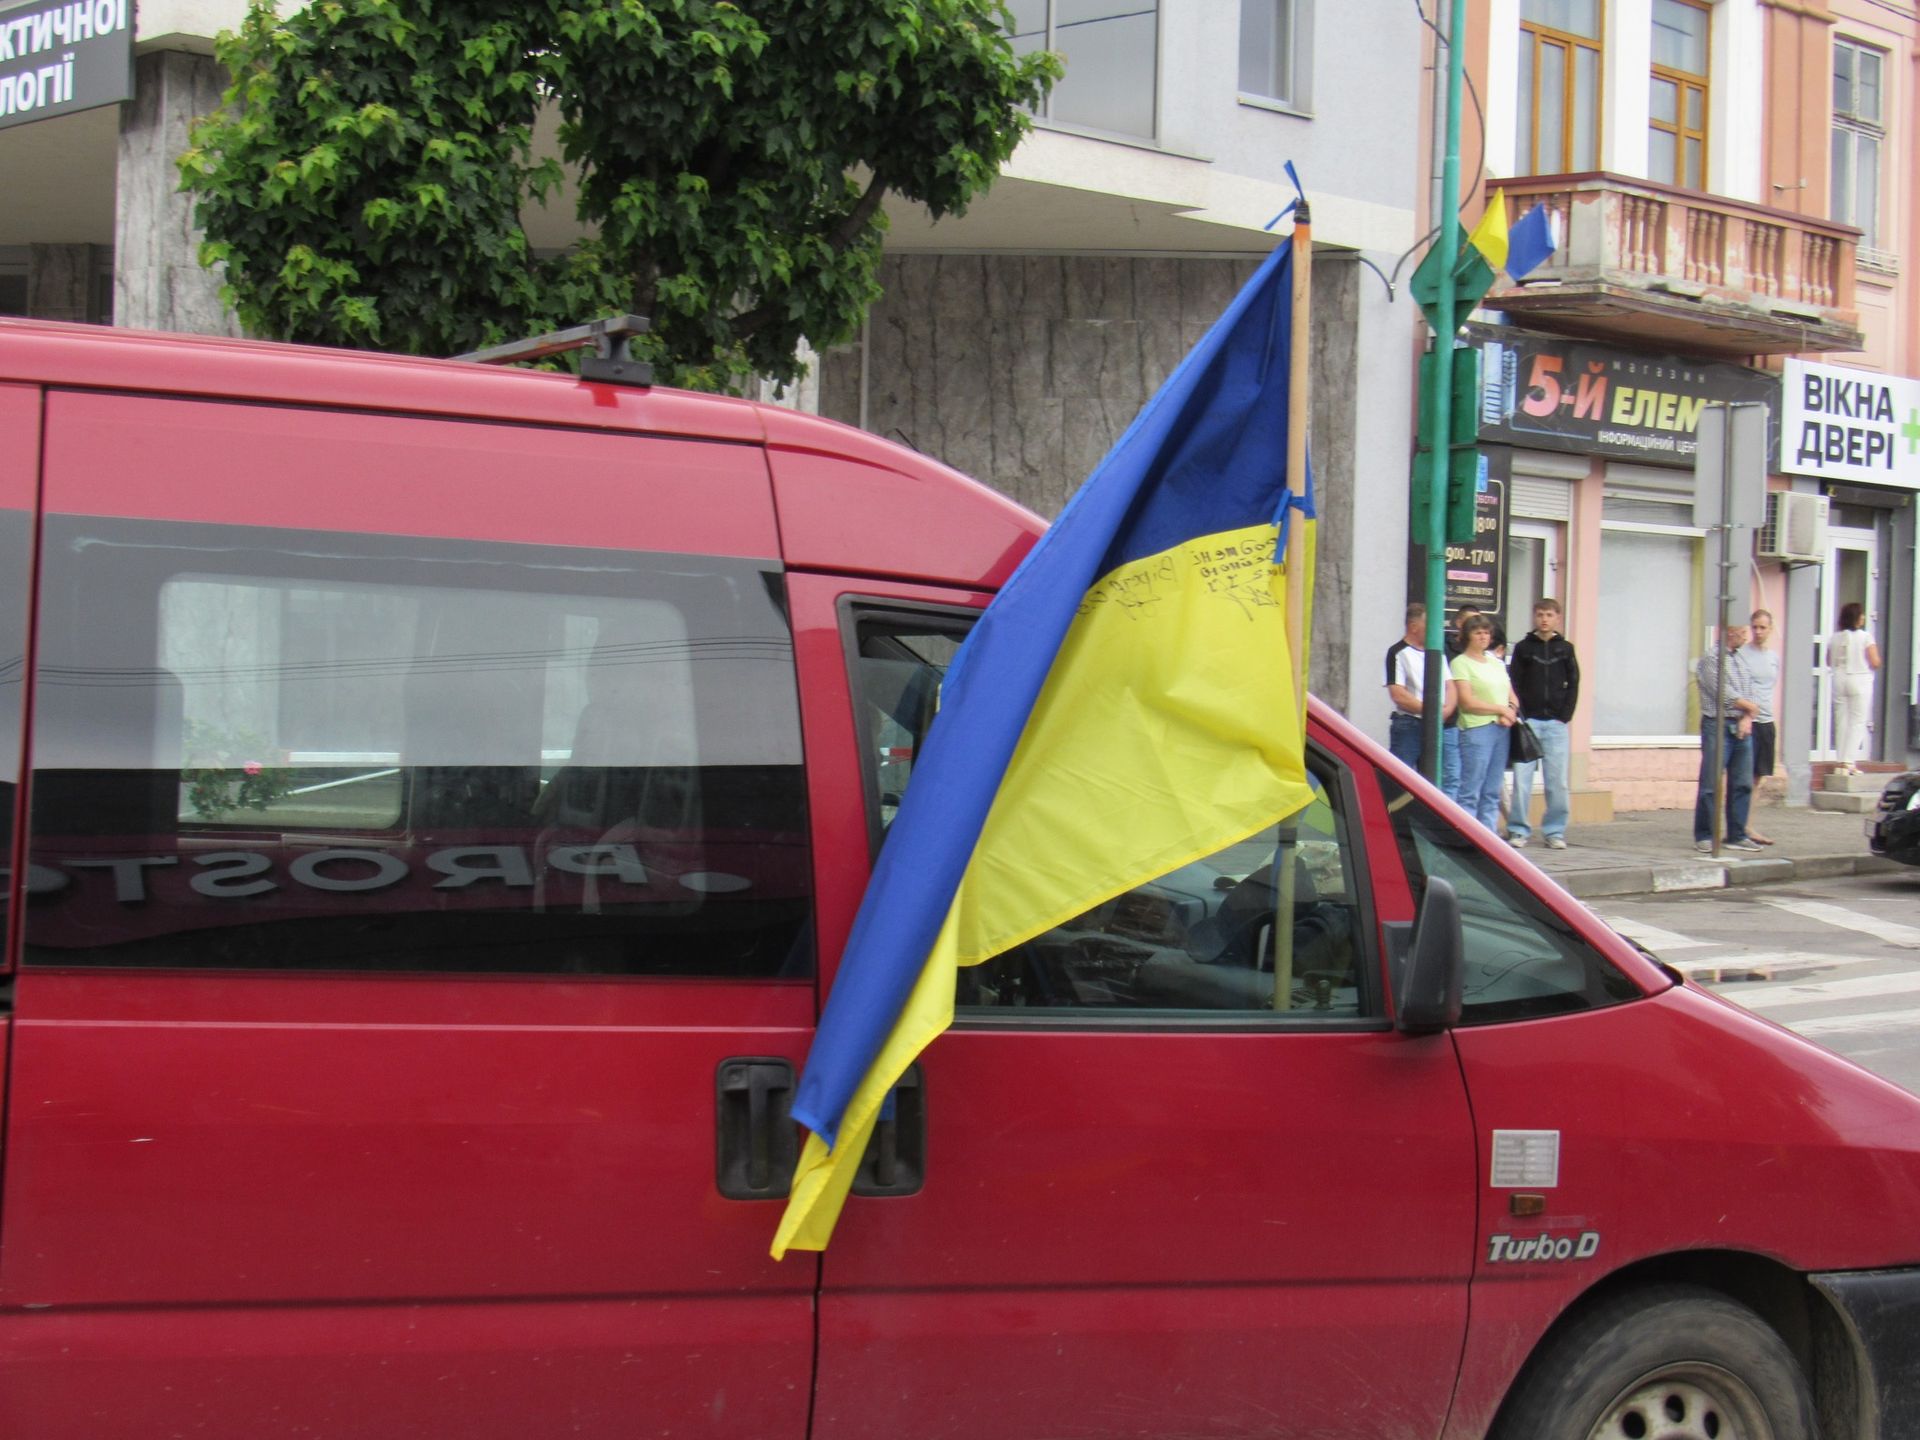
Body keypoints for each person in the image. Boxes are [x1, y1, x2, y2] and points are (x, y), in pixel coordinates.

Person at [1507, 597, 1578, 851]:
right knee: (1522, 779)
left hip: (1556, 724)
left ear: (1557, 617)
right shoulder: (1524, 648)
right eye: (1540, 614)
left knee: (1557, 781)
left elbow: (1574, 682)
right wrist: (1520, 713)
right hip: (1529, 722)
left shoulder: (1566, 648)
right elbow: (1513, 681)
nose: (1544, 619)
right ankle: (1518, 829)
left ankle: (1555, 830)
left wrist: (1564, 715)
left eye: (1549, 615)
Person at [1693, 623, 1762, 853]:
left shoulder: (1740, 659)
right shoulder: (1711, 659)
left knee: (1742, 782)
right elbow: (1724, 694)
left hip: (1741, 723)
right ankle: (1705, 835)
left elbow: (1750, 689)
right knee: (1711, 783)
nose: (1746, 636)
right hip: (1718, 724)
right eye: (1743, 632)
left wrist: (1747, 716)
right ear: (1730, 632)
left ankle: (1737, 834)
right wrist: (1751, 708)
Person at [1449, 613, 1518, 831]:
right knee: (1471, 787)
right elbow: (1467, 701)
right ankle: (1468, 833)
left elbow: (1511, 695)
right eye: (1477, 632)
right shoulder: (1461, 663)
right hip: (1477, 729)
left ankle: (1489, 835)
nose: (1483, 637)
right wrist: (1500, 709)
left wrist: (1512, 711)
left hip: (1501, 729)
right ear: (1467, 636)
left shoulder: (1496, 663)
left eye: (1486, 632)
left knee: (1492, 788)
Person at [1384, 603, 1456, 775]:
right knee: (1403, 776)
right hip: (1410, 724)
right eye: (1429, 625)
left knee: (1445, 775)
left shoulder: (1438, 652)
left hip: (1440, 724)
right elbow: (1398, 694)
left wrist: (1446, 710)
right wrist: (1431, 710)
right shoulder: (1397, 652)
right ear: (1414, 627)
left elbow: (1450, 685)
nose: (1434, 630)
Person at [1826, 601, 1881, 775]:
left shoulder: (1835, 637)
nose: (1863, 617)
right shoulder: (1865, 637)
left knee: (1841, 720)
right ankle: (1849, 762)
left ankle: (1840, 761)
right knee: (1858, 721)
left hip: (1839, 679)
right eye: (1861, 614)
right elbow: (1874, 661)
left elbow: (1828, 661)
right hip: (1859, 679)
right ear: (1856, 618)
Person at [1743, 609, 1780, 846]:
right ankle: (1738, 827)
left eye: (1762, 627)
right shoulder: (1743, 655)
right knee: (1743, 778)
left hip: (1766, 722)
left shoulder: (1773, 657)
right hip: (1749, 721)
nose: (1758, 632)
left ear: (1770, 629)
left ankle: (1748, 825)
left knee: (1758, 779)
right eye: (1754, 627)